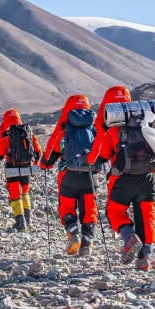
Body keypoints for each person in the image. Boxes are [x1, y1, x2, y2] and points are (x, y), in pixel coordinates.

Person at [89, 86, 155, 271]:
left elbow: (102, 155)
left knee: (115, 211)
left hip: (122, 179)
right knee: (146, 215)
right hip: (147, 178)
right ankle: (145, 256)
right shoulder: (146, 123)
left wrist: (93, 165)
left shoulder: (112, 129)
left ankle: (129, 236)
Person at [40, 95, 100, 257]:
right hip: (90, 175)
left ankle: (73, 233)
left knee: (66, 206)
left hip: (68, 175)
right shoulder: (94, 127)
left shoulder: (64, 128)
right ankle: (87, 243)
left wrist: (45, 163)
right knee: (89, 208)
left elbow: (52, 149)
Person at [0, 109, 41, 231]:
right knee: (25, 193)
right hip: (27, 168)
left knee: (15, 195)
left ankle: (20, 224)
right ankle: (28, 220)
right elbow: (38, 151)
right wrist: (35, 164)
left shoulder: (7, 135)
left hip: (12, 169)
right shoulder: (28, 133)